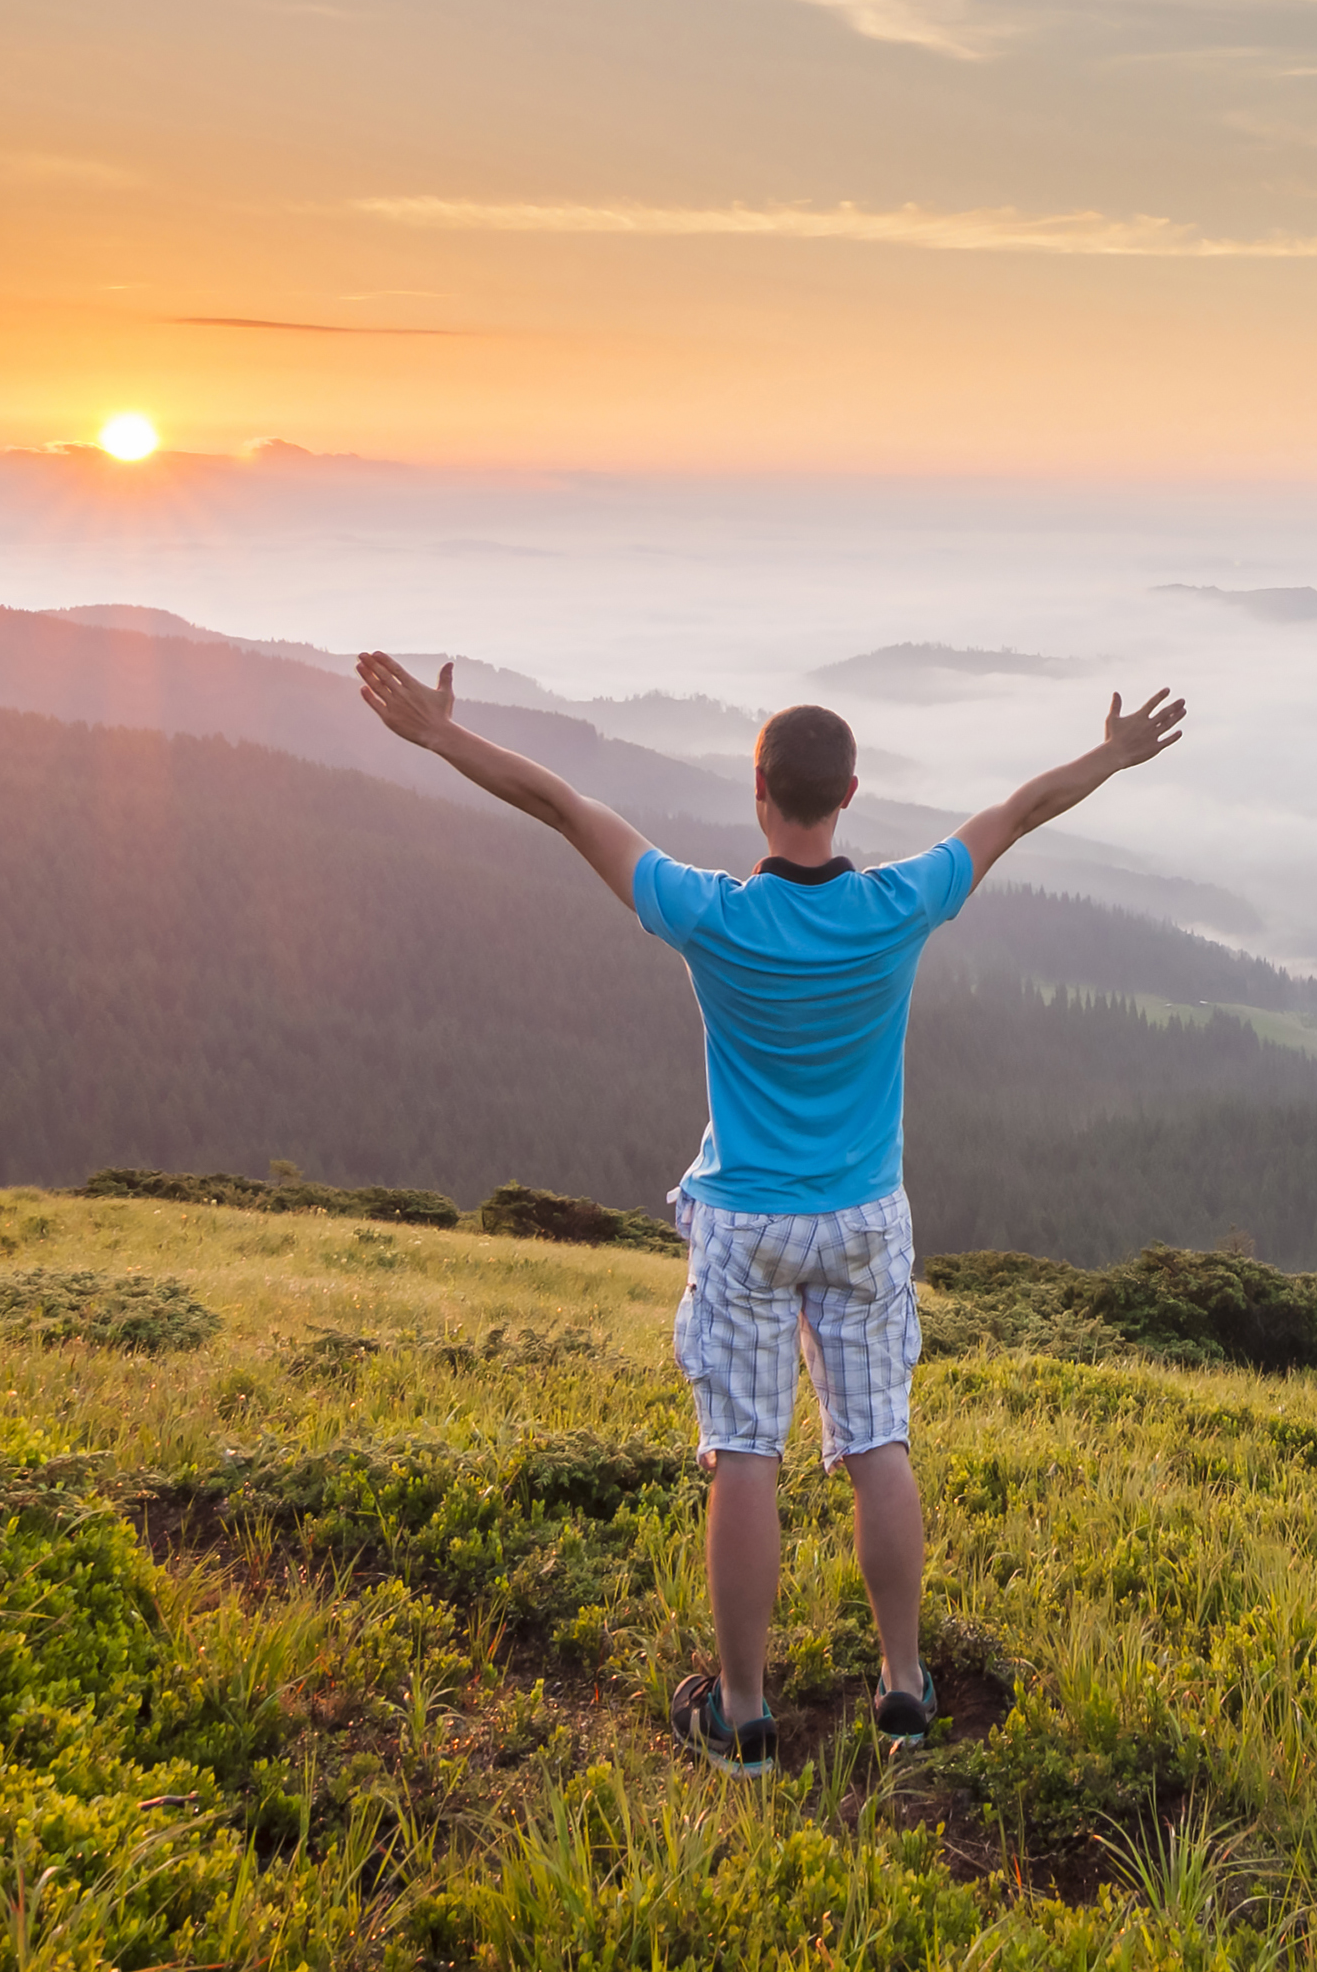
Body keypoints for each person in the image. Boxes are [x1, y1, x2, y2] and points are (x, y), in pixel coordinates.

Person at [353, 651, 1188, 1774]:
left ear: (759, 793)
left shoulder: (710, 914)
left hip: (745, 1222)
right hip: (862, 1220)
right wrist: (1114, 752)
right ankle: (903, 1685)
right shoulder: (903, 902)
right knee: (877, 1441)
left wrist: (442, 737)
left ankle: (743, 1713)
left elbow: (562, 804)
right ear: (849, 797)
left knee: (744, 1454)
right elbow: (1020, 810)